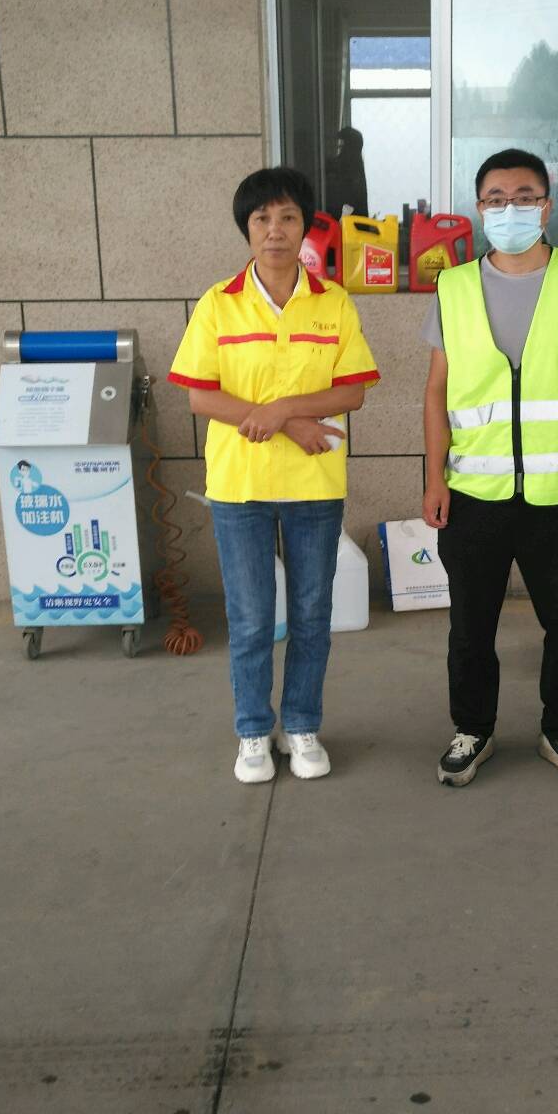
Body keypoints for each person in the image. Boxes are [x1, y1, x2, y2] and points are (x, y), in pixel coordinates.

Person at [168, 166, 380, 784]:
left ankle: (303, 725)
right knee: (252, 619)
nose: (275, 230)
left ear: (306, 226)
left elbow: (352, 392)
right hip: (240, 486)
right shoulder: (219, 303)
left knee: (313, 615)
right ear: (247, 228)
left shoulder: (332, 302)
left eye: (288, 217)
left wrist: (284, 410)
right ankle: (253, 733)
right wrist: (291, 424)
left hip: (315, 484)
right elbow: (200, 397)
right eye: (262, 218)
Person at [421, 147, 558, 788]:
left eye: (525, 197)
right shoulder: (453, 286)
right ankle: (473, 729)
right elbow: (437, 389)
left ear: (547, 205)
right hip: (473, 491)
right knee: (469, 626)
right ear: (480, 209)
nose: (511, 208)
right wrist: (434, 478)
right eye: (497, 199)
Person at [324, 126, 369, 219]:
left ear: (348, 146)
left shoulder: (350, 169)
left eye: (342, 144)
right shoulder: (355, 166)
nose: (339, 147)